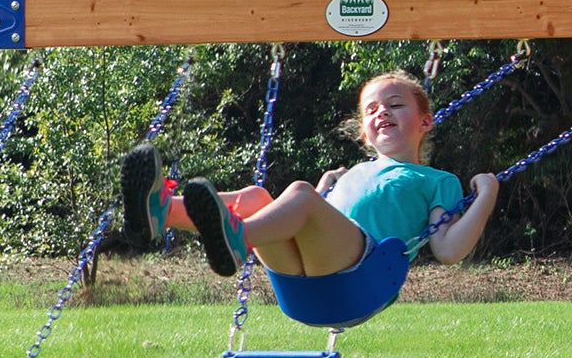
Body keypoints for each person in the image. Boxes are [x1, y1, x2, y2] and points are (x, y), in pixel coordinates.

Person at [119, 70, 499, 287]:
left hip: (359, 275)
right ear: (364, 134)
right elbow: (316, 221)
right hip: (306, 276)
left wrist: (486, 194)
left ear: (425, 121)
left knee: (298, 194)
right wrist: (325, 191)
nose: (383, 112)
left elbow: (448, 250)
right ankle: (163, 211)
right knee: (254, 197)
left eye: (396, 105)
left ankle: (237, 238)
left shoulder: (435, 179)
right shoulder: (353, 174)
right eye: (372, 110)